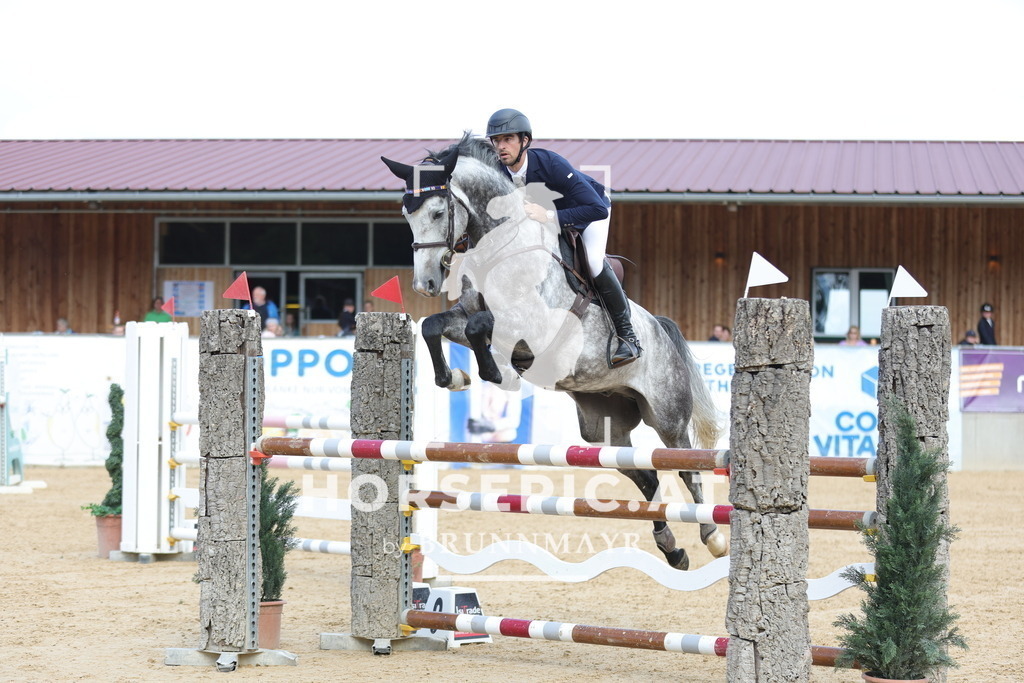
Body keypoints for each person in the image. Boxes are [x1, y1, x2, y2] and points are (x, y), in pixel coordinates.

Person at [487, 108, 640, 367]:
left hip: (590, 211)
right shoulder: (498, 173)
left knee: (593, 262)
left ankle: (628, 337)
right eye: (496, 140)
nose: (501, 146)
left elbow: (596, 209)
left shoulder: (551, 164)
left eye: (508, 139)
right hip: (545, 219)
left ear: (525, 140)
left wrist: (548, 216)